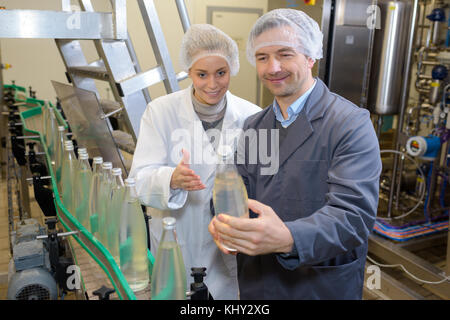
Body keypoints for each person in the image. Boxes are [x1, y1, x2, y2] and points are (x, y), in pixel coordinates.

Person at [209, 9, 381, 300]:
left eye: (285, 54)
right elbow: (237, 192)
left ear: (310, 57)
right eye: (262, 57)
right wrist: (223, 221)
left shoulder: (349, 124)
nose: (273, 67)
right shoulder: (255, 126)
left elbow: (353, 217)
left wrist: (289, 238)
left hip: (318, 284)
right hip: (259, 283)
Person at [129, 24, 261, 300]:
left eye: (221, 73)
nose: (212, 84)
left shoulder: (253, 116)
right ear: (188, 72)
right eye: (202, 74)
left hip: (229, 245)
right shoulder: (160, 112)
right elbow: (138, 180)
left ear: (232, 70)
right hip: (177, 240)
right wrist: (170, 179)